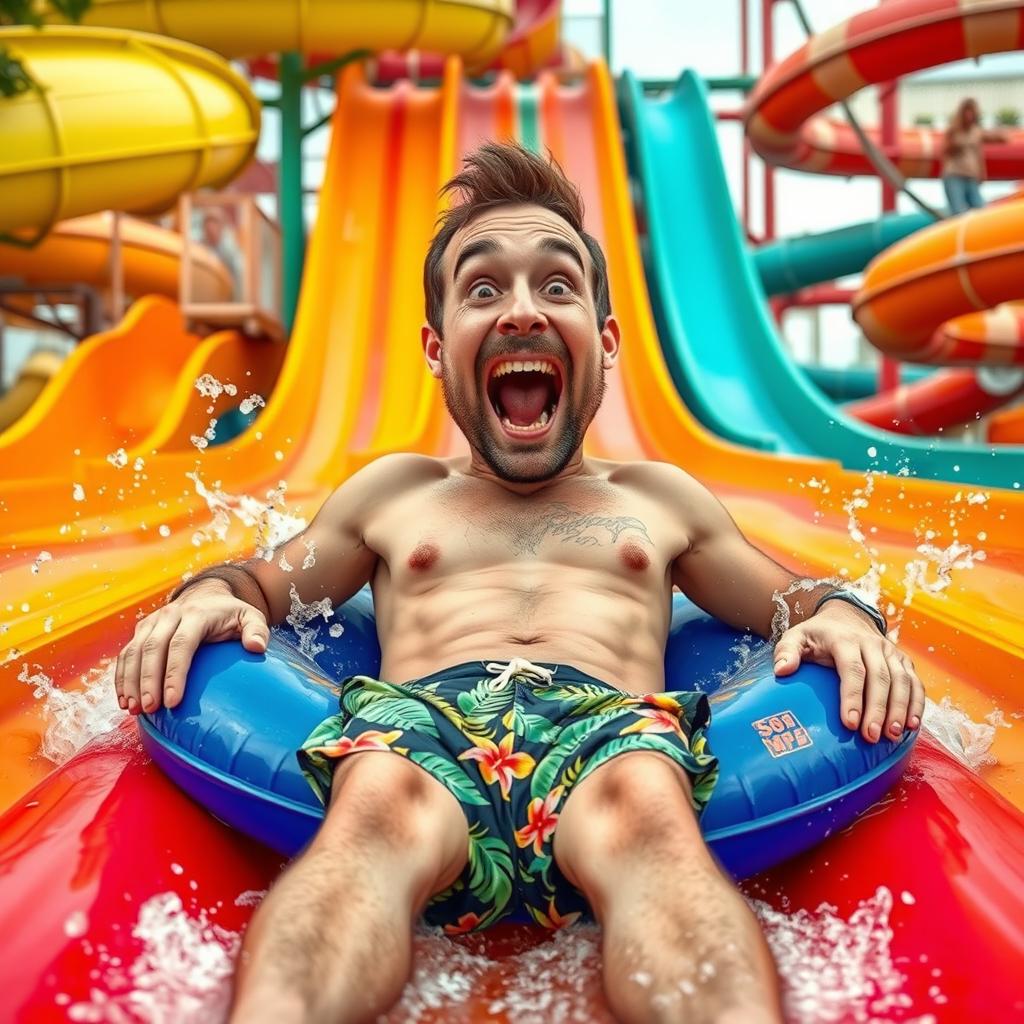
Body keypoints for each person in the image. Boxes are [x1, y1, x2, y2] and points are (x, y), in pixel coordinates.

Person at [115, 143, 924, 1024]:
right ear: (436, 346)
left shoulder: (659, 502)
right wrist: (206, 595)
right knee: (375, 804)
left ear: (606, 342)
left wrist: (842, 615)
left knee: (649, 810)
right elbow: (263, 583)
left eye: (559, 285)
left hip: (609, 729)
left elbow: (787, 600)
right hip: (423, 722)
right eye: (484, 289)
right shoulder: (395, 495)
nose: (522, 312)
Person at [940, 97, 1008, 215]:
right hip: (955, 175)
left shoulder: (976, 131)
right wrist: (957, 145)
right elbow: (944, 151)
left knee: (980, 209)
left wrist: (982, 173)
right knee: (958, 212)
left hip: (971, 176)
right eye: (967, 112)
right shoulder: (953, 131)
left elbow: (978, 154)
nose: (969, 116)